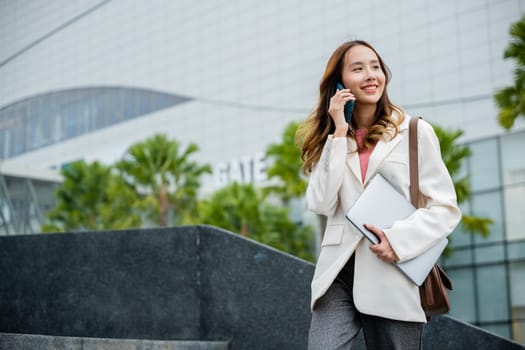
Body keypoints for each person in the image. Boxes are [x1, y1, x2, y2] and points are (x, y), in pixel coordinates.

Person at [298, 40, 462, 350]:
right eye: (358, 69)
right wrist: (338, 131)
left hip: (391, 270)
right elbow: (320, 202)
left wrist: (397, 243)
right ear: (339, 83)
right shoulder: (333, 138)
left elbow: (445, 208)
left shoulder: (414, 132)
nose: (371, 75)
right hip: (338, 272)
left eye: (375, 67)